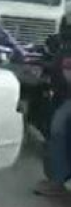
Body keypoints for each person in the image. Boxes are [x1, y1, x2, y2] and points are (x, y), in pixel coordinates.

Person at [35, 18, 71, 196]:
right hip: (61, 96)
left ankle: (56, 182)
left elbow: (68, 76)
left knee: (57, 129)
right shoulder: (63, 46)